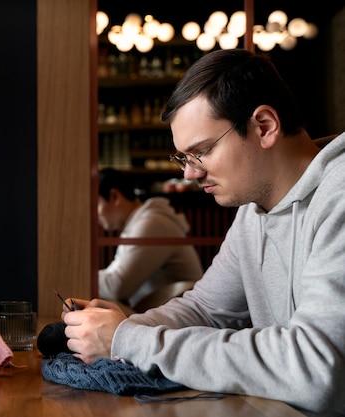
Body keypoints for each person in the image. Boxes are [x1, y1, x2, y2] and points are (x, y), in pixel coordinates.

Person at [61, 48, 345, 415]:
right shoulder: (253, 211)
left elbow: (316, 368)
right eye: (183, 158)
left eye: (202, 151)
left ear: (264, 126)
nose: (189, 174)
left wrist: (130, 339)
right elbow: (206, 309)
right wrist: (115, 329)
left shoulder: (338, 197)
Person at [97, 167, 202, 309]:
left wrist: (79, 277)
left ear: (115, 197)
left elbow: (117, 287)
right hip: (162, 312)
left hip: (182, 316)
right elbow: (113, 276)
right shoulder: (138, 222)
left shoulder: (152, 223)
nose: (94, 214)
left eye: (96, 204)